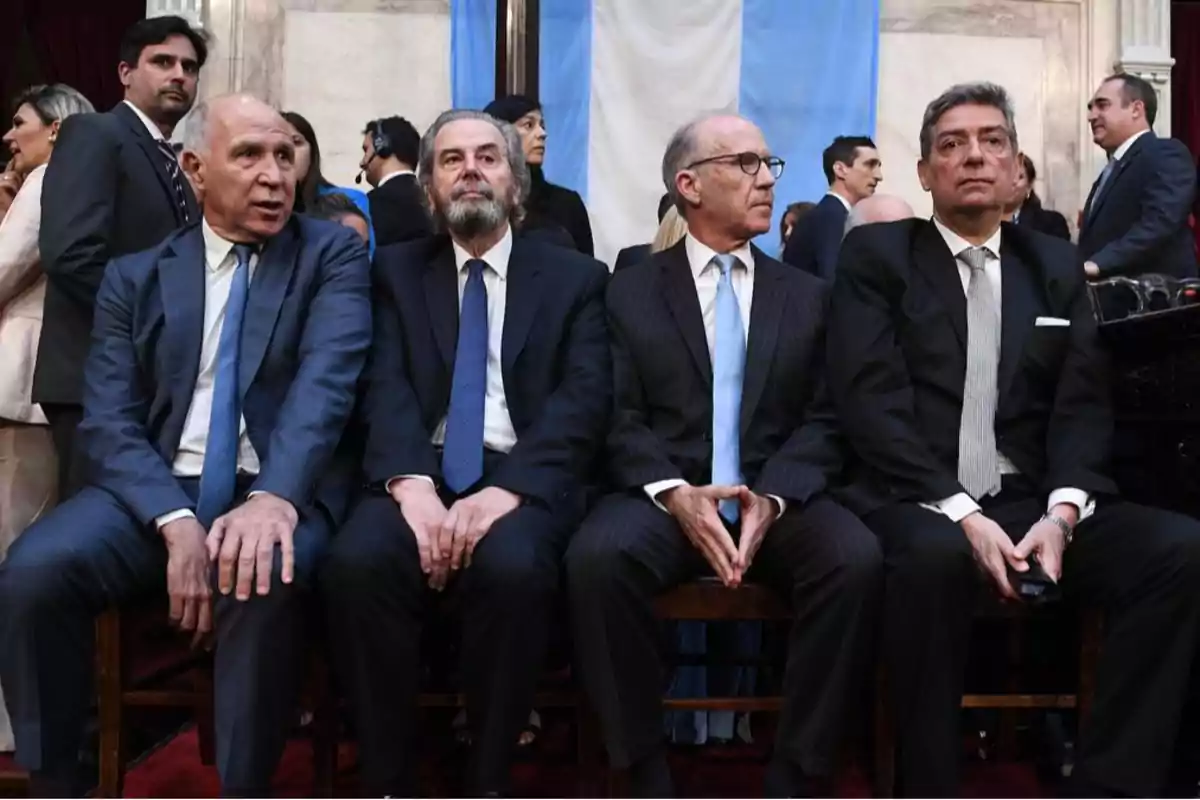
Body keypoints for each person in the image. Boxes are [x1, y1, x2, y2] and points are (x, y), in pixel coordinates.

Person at [828, 81, 1200, 797]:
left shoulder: (1054, 263)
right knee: (934, 559)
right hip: (918, 496)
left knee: (1177, 552)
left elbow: (1083, 404)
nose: (974, 156)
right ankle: (927, 785)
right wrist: (962, 514)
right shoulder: (878, 256)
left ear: (1014, 164)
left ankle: (1113, 785)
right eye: (952, 145)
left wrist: (1062, 514)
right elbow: (868, 402)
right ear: (927, 172)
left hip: (1030, 500)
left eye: (991, 141)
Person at [0, 94, 372, 796]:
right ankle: (59, 783)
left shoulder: (332, 258)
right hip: (157, 491)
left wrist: (272, 499)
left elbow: (326, 389)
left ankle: (243, 786)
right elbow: (111, 419)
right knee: (33, 573)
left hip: (274, 487)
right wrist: (173, 523)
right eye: (250, 156)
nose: (274, 175)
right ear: (196, 170)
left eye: (284, 156)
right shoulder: (135, 275)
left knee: (260, 572)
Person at [567, 114, 882, 798]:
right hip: (666, 495)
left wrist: (774, 497)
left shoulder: (808, 296)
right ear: (689, 185)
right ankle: (642, 768)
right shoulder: (626, 290)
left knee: (854, 558)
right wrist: (674, 492)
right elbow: (612, 415)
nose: (766, 177)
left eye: (769, 163)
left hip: (775, 497)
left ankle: (796, 772)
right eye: (745, 163)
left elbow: (829, 418)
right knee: (597, 559)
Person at [321, 109, 610, 797]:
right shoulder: (390, 272)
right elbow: (380, 384)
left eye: (488, 156)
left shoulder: (576, 278)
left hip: (521, 481)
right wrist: (411, 485)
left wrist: (507, 492)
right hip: (416, 472)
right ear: (428, 186)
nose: (471, 169)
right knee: (356, 563)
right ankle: (388, 778)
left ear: (516, 181)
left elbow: (583, 401)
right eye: (451, 159)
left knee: (512, 569)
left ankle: (487, 776)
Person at [35, 15, 206, 496]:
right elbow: (71, 254)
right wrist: (159, 324)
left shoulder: (168, 156)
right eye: (163, 62)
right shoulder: (95, 133)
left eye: (189, 68)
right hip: (91, 374)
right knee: (88, 536)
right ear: (126, 73)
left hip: (139, 382)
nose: (179, 75)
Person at [0, 82, 94, 755]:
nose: (11, 136)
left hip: (20, 387)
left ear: (57, 129)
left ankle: (13, 728)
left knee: (12, 555)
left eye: (20, 123)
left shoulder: (50, 179)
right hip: (53, 391)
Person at [1080, 73, 1197, 278]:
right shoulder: (1110, 171)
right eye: (1091, 107)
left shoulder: (1166, 153)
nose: (1091, 115)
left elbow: (1159, 222)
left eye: (1102, 105)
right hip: (1109, 303)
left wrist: (1098, 263)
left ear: (1136, 109)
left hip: (1153, 304)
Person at [484, 94, 594, 255]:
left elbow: (589, 273)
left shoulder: (567, 204)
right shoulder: (480, 200)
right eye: (528, 125)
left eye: (542, 125)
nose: (542, 133)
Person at [782, 135, 880, 279]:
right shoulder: (831, 218)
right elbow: (836, 284)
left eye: (878, 166)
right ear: (840, 169)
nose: (878, 175)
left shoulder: (827, 216)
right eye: (870, 165)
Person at [282, 111, 375, 256]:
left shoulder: (350, 200)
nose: (287, 152)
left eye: (296, 142)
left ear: (312, 152)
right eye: (279, 145)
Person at [359, 115, 430, 246]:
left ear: (382, 146)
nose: (362, 163)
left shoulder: (369, 206)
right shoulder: (434, 200)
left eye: (366, 150)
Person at [1004, 153, 1070, 240]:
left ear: (1029, 186)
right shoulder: (982, 223)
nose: (1013, 182)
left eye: (1020, 177)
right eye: (1008, 175)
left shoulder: (1051, 224)